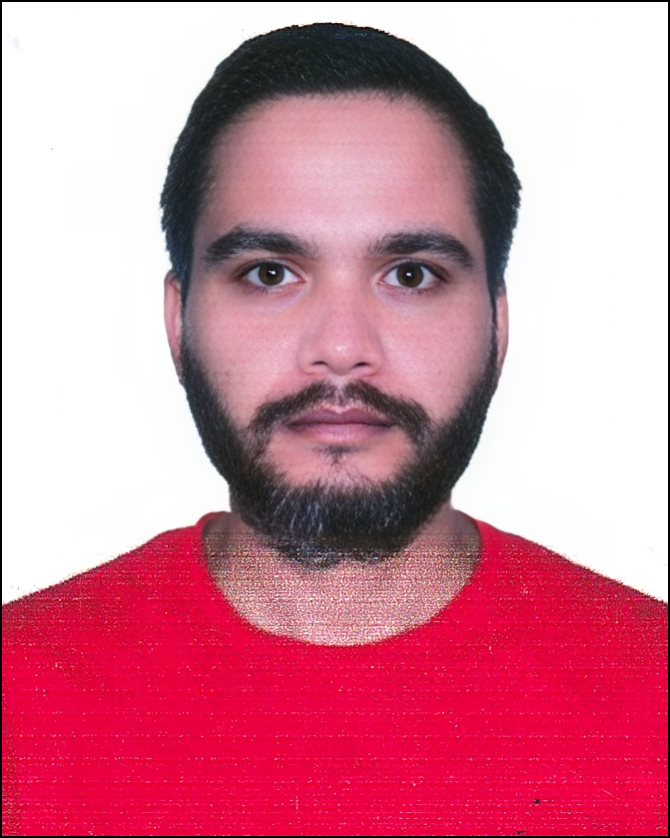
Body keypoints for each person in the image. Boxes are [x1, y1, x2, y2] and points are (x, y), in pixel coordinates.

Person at [3, 22, 666, 838]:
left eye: (411, 275)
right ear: (179, 322)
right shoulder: (19, 706)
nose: (343, 347)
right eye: (269, 274)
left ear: (498, 325)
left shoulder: (653, 696)